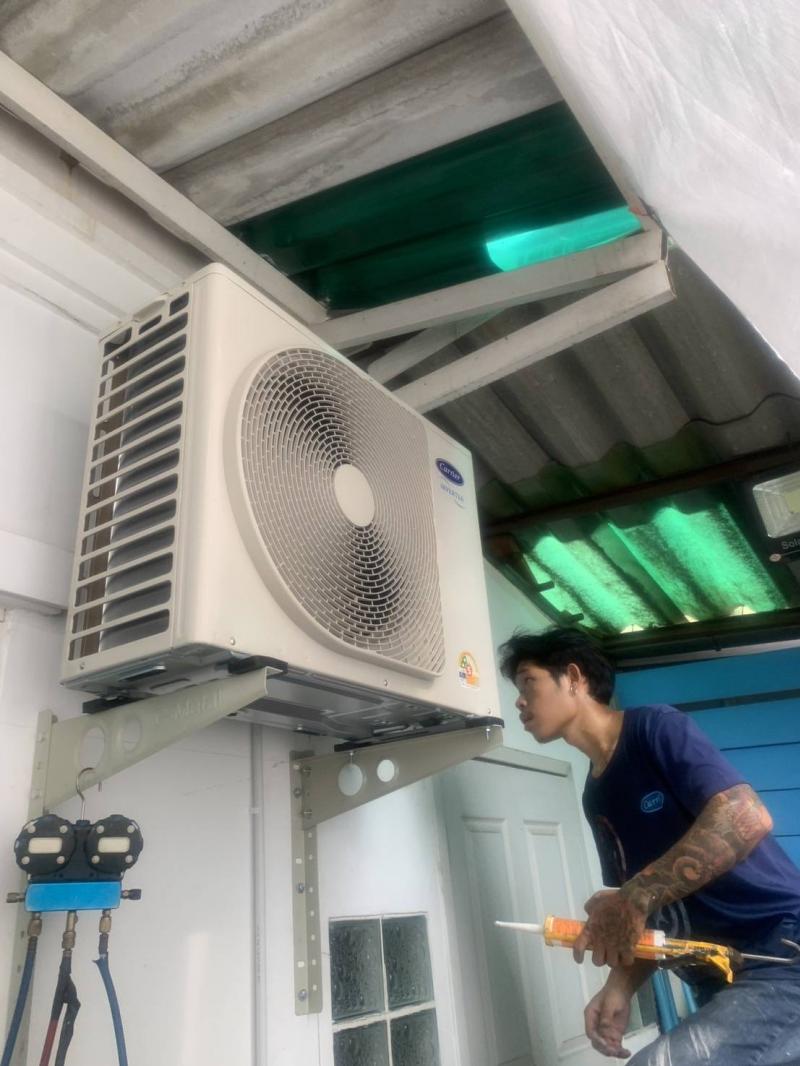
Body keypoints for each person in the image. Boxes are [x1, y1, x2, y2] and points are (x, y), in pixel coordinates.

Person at [499, 627, 800, 1064]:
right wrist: (618, 987)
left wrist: (633, 896)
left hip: (781, 954)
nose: (519, 702)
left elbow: (746, 816)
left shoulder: (653, 728)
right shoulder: (596, 796)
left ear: (574, 678)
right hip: (715, 978)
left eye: (529, 683)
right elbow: (644, 914)